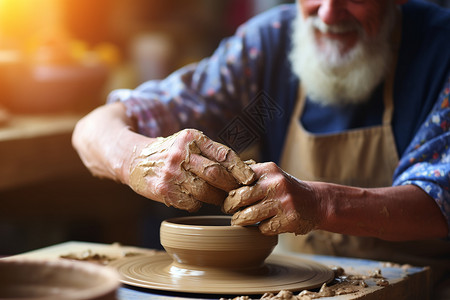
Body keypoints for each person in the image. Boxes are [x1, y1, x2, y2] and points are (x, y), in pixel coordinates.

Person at [72, 0, 450, 294]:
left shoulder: (439, 51)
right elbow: (93, 129)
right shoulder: (272, 44)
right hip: (294, 289)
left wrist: (320, 204)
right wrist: (137, 158)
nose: (330, 13)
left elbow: (439, 202)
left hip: (421, 287)